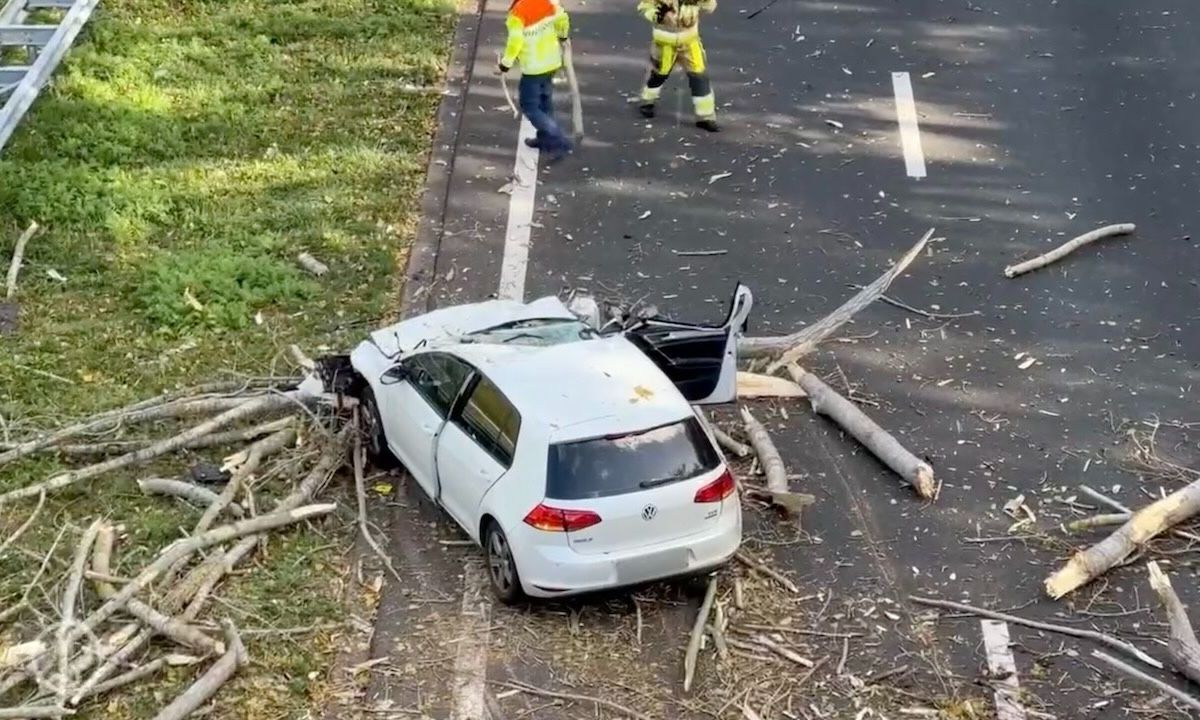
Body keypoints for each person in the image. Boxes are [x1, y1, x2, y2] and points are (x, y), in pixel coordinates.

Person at [499, 0, 573, 161]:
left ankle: (556, 137)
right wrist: (563, 35)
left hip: (533, 69)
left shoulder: (518, 14)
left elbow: (515, 42)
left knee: (530, 106)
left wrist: (505, 64)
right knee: (545, 102)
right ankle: (545, 139)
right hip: (552, 61)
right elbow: (563, 19)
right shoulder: (549, 2)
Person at [636, 0, 719, 132]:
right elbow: (643, 8)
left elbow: (710, 7)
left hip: (689, 43)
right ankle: (647, 101)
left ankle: (705, 117)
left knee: (699, 76)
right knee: (660, 73)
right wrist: (658, 16)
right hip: (664, 44)